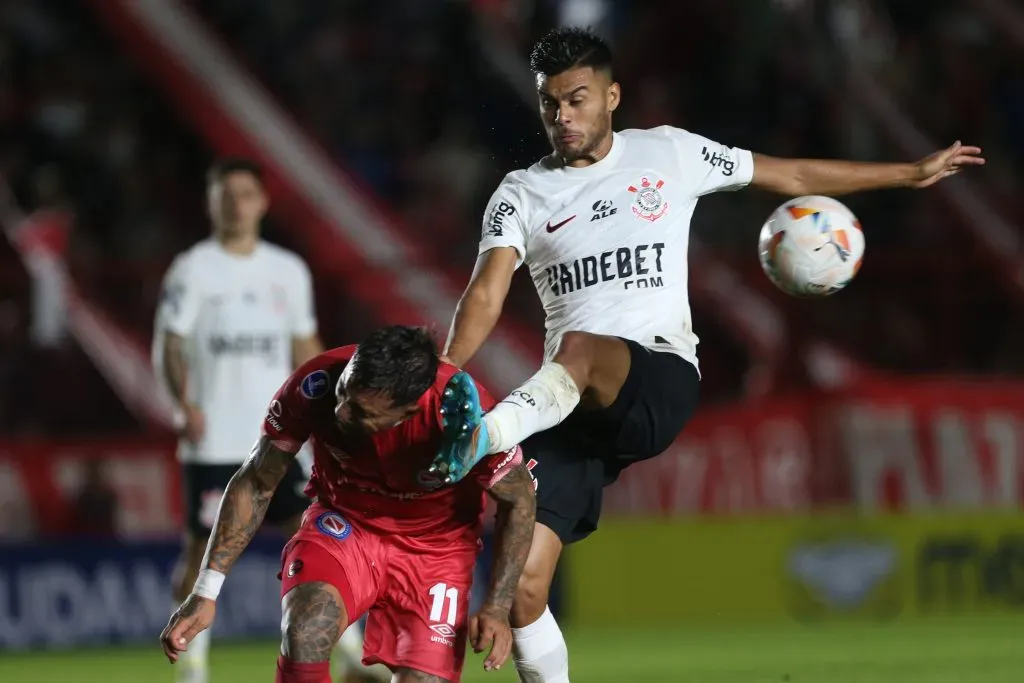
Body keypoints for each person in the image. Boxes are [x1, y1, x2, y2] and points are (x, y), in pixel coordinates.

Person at [432, 27, 985, 683]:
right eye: (550, 104)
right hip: (570, 409)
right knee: (524, 587)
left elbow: (794, 174)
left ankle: (478, 436)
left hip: (658, 375)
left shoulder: (668, 152)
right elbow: (487, 294)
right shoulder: (521, 193)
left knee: (578, 350)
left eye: (577, 99)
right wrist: (443, 377)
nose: (563, 117)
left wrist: (909, 173)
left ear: (612, 95)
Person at [160, 325, 537, 683]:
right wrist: (205, 590)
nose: (341, 413)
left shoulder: (462, 415)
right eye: (344, 395)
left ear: (407, 411)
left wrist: (499, 605)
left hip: (436, 551)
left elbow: (519, 499)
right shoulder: (317, 382)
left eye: (362, 413)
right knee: (307, 627)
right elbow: (256, 481)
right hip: (345, 526)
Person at [152, 157, 354, 682]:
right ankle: (191, 668)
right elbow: (170, 344)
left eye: (245, 193)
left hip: (279, 435)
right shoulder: (192, 269)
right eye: (225, 193)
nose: (235, 203)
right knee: (203, 548)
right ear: (210, 201)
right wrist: (182, 403)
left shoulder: (287, 271)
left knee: (320, 533)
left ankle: (351, 648)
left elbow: (305, 347)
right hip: (214, 435)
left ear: (262, 202)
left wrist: (331, 406)